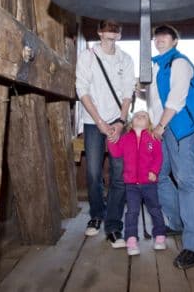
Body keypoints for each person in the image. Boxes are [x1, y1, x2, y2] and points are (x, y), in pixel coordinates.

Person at [148, 24, 194, 269]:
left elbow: (177, 97)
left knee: (186, 179)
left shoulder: (179, 62)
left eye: (165, 35)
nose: (159, 39)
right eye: (156, 36)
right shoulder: (155, 66)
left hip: (182, 127)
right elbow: (156, 100)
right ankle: (177, 222)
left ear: (174, 41)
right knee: (160, 175)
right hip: (162, 128)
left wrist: (160, 126)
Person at [76, 19, 135, 248]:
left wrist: (120, 121)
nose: (112, 32)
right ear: (99, 32)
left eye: (116, 29)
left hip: (118, 122)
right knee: (92, 172)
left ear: (120, 34)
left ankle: (113, 225)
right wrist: (100, 122)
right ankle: (97, 214)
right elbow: (82, 90)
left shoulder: (126, 59)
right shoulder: (88, 56)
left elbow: (128, 92)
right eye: (107, 28)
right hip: (93, 122)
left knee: (119, 174)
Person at [107, 111, 167, 256]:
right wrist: (110, 138)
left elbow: (158, 157)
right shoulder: (125, 138)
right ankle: (131, 239)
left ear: (149, 123)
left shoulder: (154, 138)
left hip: (149, 183)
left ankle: (159, 236)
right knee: (132, 212)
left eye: (144, 116)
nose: (140, 117)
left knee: (155, 209)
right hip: (131, 184)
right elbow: (115, 152)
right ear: (131, 123)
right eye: (136, 116)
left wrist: (154, 171)